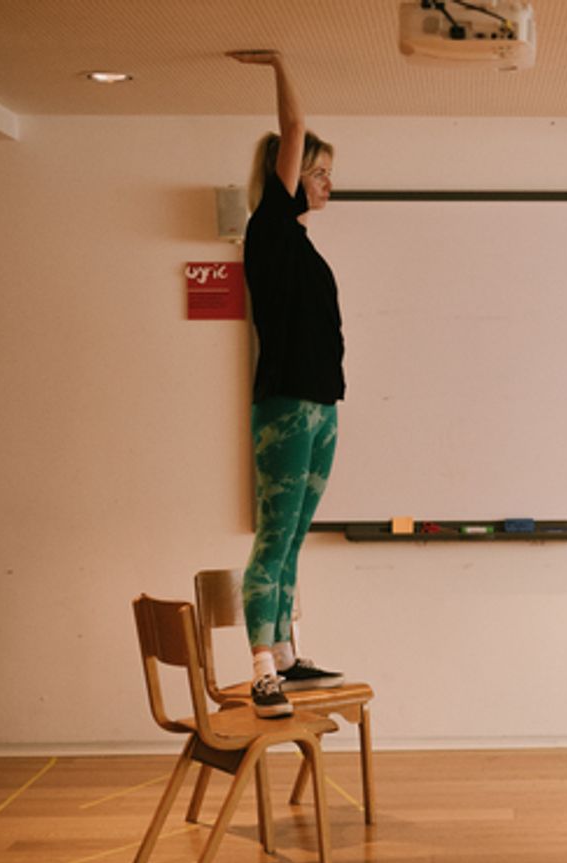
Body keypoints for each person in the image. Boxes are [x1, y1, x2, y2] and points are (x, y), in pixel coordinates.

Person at [230, 49, 346, 718]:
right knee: (273, 536)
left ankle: (286, 652)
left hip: (323, 405)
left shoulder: (300, 243)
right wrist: (280, 63)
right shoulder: (269, 229)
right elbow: (294, 126)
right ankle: (260, 670)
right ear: (290, 174)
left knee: (296, 533)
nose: (329, 184)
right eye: (319, 172)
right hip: (285, 405)